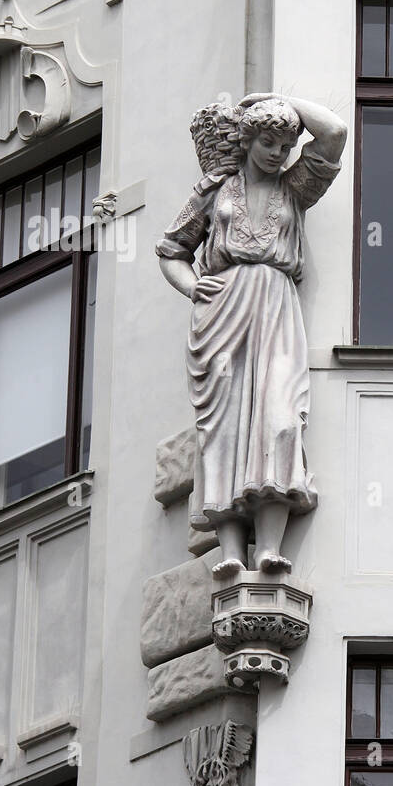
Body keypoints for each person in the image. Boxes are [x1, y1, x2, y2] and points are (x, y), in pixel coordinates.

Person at [157, 93, 347, 577]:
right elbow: (171, 250)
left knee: (279, 421)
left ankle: (270, 546)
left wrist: (282, 102)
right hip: (223, 313)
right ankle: (230, 552)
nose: (277, 154)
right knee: (225, 430)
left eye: (285, 146)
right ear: (246, 140)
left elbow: (334, 134)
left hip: (276, 307)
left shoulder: (295, 189)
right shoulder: (216, 191)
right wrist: (198, 290)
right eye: (267, 142)